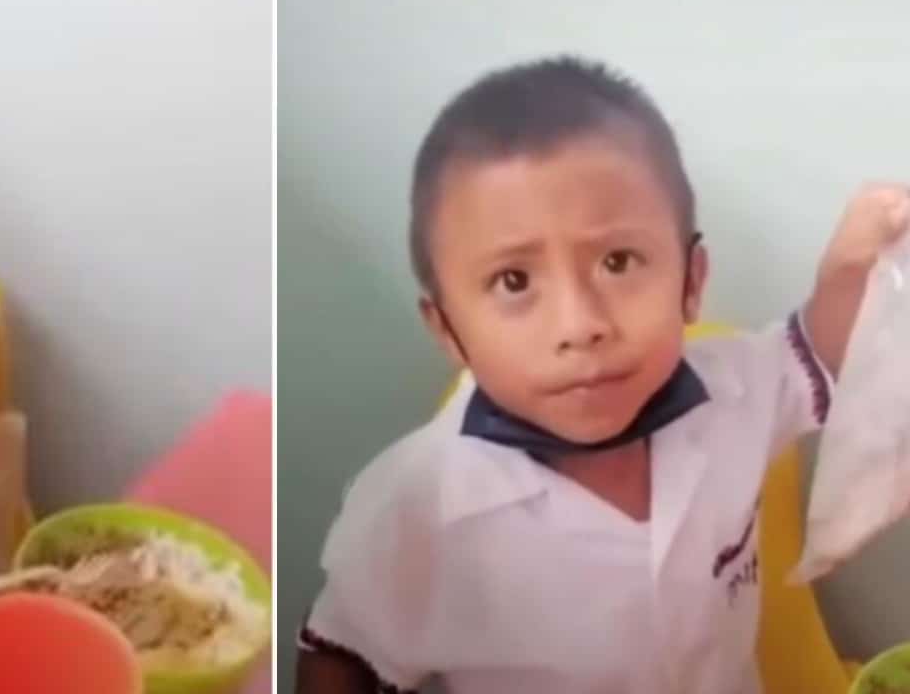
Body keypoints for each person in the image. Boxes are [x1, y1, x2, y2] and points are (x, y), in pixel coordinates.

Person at [293, 56, 909, 693]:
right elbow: (343, 653)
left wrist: (852, 268)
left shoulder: (736, 388)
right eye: (515, 281)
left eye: (617, 261)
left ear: (690, 282)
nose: (580, 323)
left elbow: (820, 351)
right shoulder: (417, 503)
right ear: (449, 331)